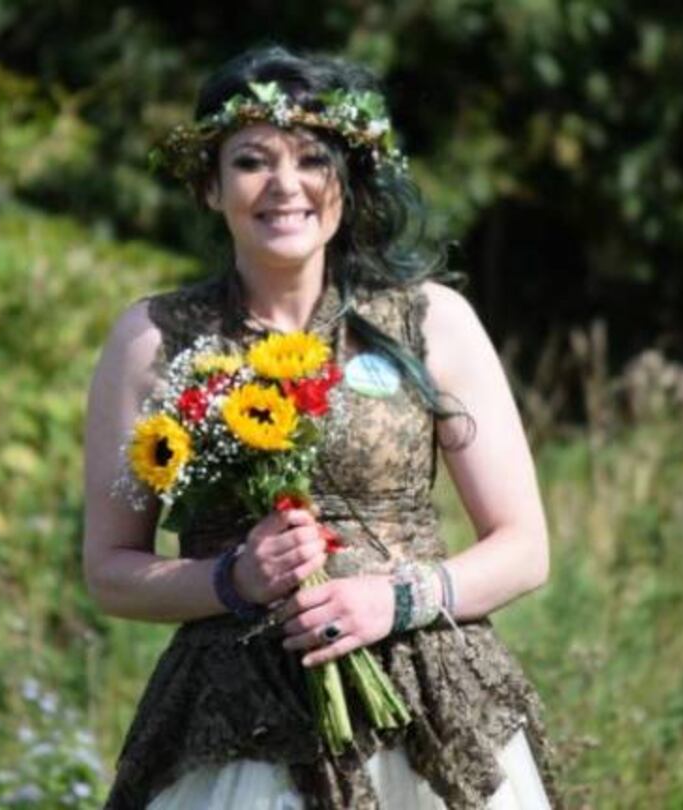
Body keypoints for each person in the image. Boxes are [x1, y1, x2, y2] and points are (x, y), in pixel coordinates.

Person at [82, 45, 558, 809]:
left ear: (347, 179)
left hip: (426, 702)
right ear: (211, 186)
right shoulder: (151, 339)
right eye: (251, 162)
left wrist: (395, 600)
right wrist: (230, 579)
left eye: (312, 159)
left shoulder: (432, 321)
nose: (285, 186)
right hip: (234, 722)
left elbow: (525, 548)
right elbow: (110, 569)